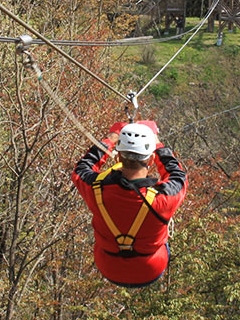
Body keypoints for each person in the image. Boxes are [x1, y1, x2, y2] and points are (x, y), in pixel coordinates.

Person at [72, 121, 188, 287]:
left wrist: (111, 138)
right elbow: (177, 175)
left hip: (108, 266)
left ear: (118, 157)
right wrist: (157, 142)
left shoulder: (97, 190)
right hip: (150, 268)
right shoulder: (163, 199)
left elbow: (82, 169)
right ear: (151, 159)